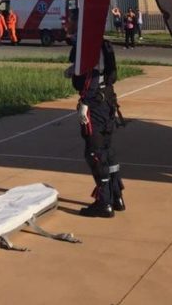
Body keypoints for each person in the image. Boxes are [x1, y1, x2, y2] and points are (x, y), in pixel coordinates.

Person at [73, 39, 125, 218]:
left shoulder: (89, 44)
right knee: (107, 151)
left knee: (94, 153)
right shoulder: (104, 44)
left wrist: (85, 102)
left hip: (95, 103)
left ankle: (104, 203)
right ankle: (116, 196)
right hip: (107, 99)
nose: (66, 24)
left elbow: (92, 74)